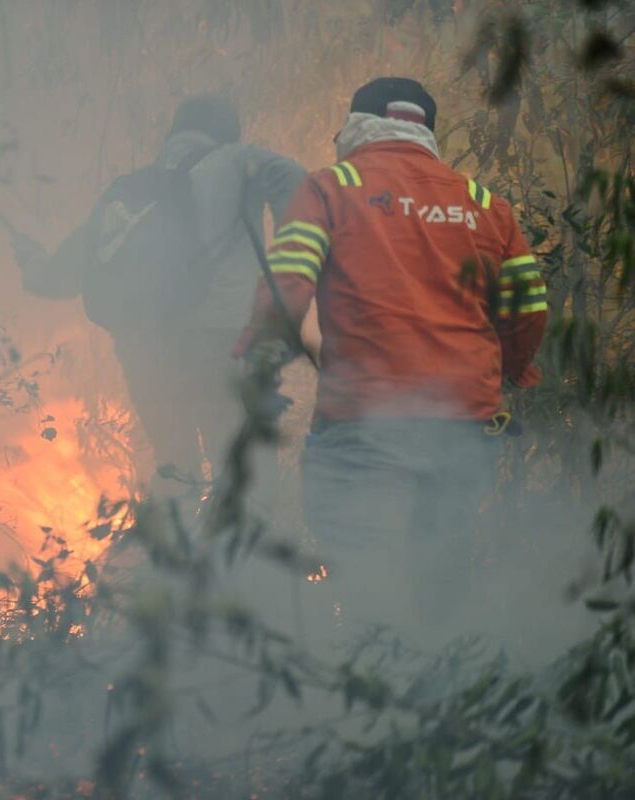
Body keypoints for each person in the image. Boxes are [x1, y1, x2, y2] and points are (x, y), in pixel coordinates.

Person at [234, 77, 548, 638]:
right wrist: (512, 369)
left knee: (364, 572)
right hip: (464, 423)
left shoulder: (332, 187)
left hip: (364, 421)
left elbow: (289, 284)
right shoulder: (483, 204)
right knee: (442, 569)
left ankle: (380, 696)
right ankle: (450, 690)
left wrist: (259, 351)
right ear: (426, 130)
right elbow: (528, 305)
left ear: (355, 125)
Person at [13, 95, 305, 505]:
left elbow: (56, 280)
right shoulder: (235, 160)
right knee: (243, 475)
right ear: (225, 134)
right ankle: (244, 566)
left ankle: (171, 563)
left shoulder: (128, 194)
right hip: (219, 342)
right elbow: (297, 181)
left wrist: (31, 260)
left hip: (146, 355)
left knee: (175, 472)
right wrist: (295, 264)